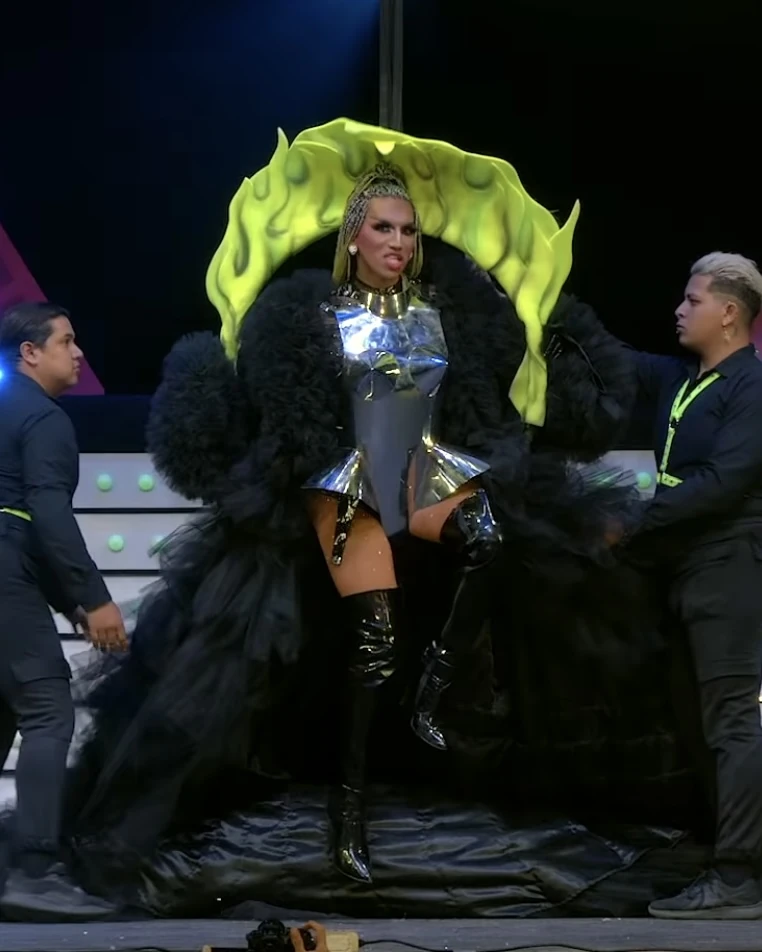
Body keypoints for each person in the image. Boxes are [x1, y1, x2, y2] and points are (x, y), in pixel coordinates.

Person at [58, 119, 658, 908]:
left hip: (426, 469)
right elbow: (269, 407)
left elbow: (512, 388)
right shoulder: (306, 312)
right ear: (354, 235)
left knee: (489, 537)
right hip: (346, 482)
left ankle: (434, 687)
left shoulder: (446, 310)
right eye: (384, 228)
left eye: (408, 230)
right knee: (373, 645)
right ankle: (349, 815)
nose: (399, 242)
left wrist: (538, 316)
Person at [622, 253, 762, 920]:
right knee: (698, 722)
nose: (679, 310)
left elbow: (725, 482)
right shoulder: (681, 379)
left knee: (733, 720)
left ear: (729, 313)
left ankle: (738, 876)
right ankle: (731, 861)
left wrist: (629, 517)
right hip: (685, 569)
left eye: (693, 300)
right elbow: (610, 356)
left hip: (732, 564)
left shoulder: (752, 389)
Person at [0, 302, 127, 922]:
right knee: (48, 710)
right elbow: (43, 518)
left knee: (5, 709)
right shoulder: (44, 418)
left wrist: (70, 605)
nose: (78, 354)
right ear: (29, 352)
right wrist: (94, 599)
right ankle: (35, 873)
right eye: (66, 342)